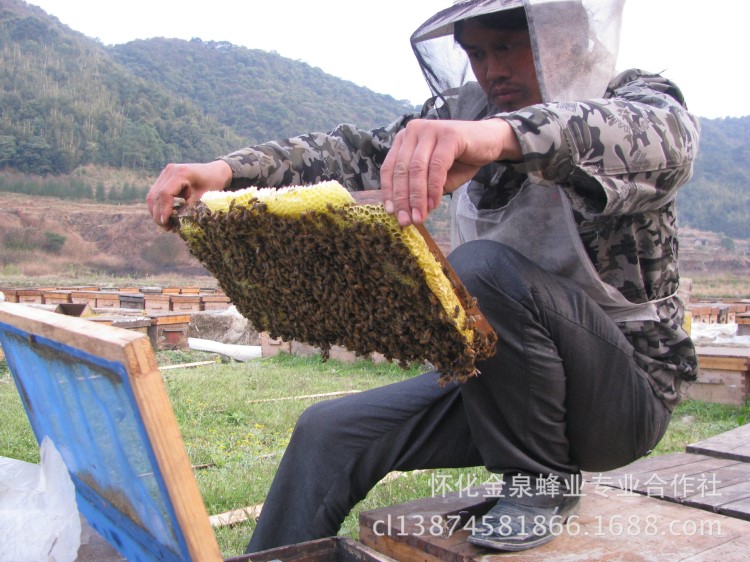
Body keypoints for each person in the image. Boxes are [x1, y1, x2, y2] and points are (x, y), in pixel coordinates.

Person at [147, 0, 700, 553]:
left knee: (480, 268)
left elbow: (661, 137)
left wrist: (497, 139)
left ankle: (542, 482)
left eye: (506, 47)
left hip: (623, 397)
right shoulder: (470, 113)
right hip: (508, 387)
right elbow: (353, 154)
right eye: (476, 53)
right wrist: (227, 171)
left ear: (565, 42)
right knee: (328, 433)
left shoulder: (634, 101)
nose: (491, 70)